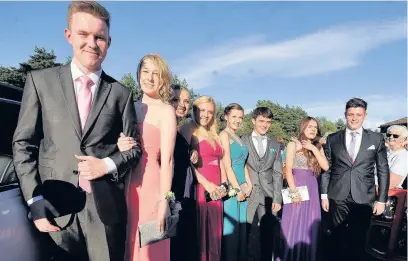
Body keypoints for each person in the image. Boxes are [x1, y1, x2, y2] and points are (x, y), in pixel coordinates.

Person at [12, 2, 141, 261]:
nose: (92, 43)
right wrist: (34, 200)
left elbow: (134, 149)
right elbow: (23, 144)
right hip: (54, 207)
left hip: (105, 211)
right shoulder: (41, 82)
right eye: (83, 34)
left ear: (109, 42)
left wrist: (107, 164)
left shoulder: (121, 94)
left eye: (99, 37)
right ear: (69, 36)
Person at [119, 84, 200, 260]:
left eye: (186, 101)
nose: (181, 104)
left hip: (180, 191)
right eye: (176, 99)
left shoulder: (182, 132)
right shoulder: (159, 124)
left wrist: (192, 150)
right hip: (162, 190)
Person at [320, 98, 390, 261]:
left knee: (358, 238)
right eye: (351, 114)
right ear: (345, 114)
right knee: (336, 235)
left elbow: (383, 170)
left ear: (365, 115)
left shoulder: (376, 138)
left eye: (358, 114)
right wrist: (323, 195)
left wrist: (381, 200)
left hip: (364, 196)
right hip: (337, 194)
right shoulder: (333, 139)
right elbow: (326, 169)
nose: (354, 118)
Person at [122, 54, 176, 261]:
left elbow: (168, 160)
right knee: (126, 241)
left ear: (162, 79)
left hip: (151, 184)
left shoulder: (166, 111)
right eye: (146, 71)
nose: (150, 78)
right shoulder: (127, 106)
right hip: (124, 183)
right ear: (138, 74)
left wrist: (164, 200)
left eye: (156, 73)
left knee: (148, 247)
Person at [180, 95, 228, 261]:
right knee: (203, 229)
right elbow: (183, 159)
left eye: (210, 112)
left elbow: (220, 160)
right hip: (202, 185)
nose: (206, 115)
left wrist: (224, 185)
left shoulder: (213, 132)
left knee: (215, 228)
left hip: (217, 186)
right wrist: (205, 183)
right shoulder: (188, 127)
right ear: (194, 110)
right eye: (202, 110)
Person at [276, 117, 329, 261]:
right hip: (296, 187)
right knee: (292, 224)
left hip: (312, 188)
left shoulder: (318, 146)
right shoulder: (293, 144)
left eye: (315, 127)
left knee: (308, 225)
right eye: (309, 126)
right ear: (303, 127)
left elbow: (325, 166)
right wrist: (293, 192)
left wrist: (313, 148)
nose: (313, 129)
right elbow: (287, 171)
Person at [241, 107, 283, 261]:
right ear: (253, 121)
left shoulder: (275, 145)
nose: (264, 125)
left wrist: (277, 198)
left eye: (268, 122)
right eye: (261, 121)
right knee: (244, 233)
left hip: (268, 195)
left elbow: (278, 173)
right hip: (248, 194)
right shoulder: (242, 141)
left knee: (268, 234)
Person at [219, 103, 252, 261]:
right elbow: (227, 165)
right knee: (232, 229)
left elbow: (243, 163)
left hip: (243, 187)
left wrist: (249, 184)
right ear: (226, 116)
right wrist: (237, 189)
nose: (238, 120)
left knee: (242, 228)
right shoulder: (224, 135)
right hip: (233, 188)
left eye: (240, 117)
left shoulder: (239, 137)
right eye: (234, 117)